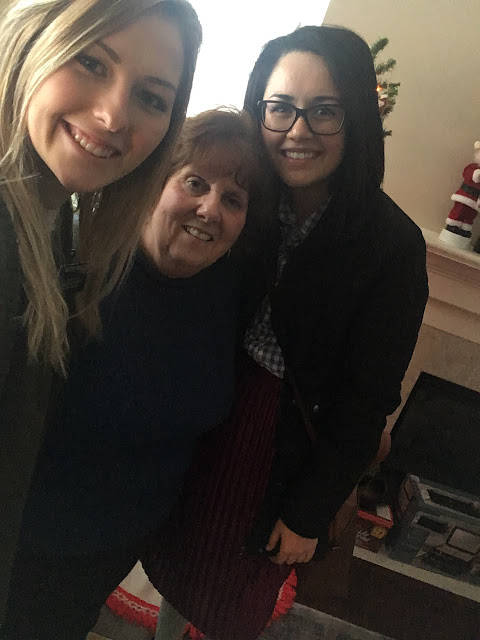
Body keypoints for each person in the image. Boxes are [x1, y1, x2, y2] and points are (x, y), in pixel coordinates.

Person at [141, 25, 429, 640]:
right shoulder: (243, 198)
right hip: (203, 412)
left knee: (230, 596)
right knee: (173, 561)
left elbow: (368, 399)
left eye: (324, 111)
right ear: (260, 110)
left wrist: (309, 511)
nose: (298, 131)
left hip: (279, 447)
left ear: (356, 119)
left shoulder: (391, 245)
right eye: (280, 107)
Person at [2, 107, 270, 640]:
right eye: (195, 182)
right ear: (157, 182)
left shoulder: (229, 291)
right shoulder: (79, 262)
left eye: (233, 199)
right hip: (29, 536)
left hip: (122, 539)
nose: (210, 209)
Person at [0, 0, 201, 630]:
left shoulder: (56, 218)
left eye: (151, 97)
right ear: (34, 42)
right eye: (91, 62)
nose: (114, 116)